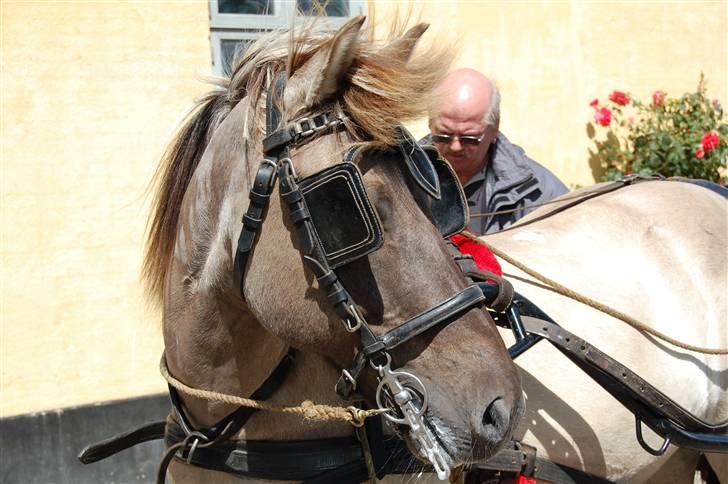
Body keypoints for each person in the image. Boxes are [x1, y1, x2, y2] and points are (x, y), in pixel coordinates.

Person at [423, 68, 568, 235]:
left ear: (494, 129)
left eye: (469, 138)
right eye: (443, 135)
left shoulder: (539, 195)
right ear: (430, 123)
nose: (455, 146)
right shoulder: (405, 179)